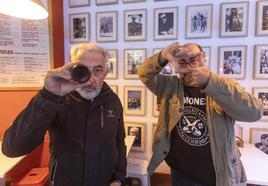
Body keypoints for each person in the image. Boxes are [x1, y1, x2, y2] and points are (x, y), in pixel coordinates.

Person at [138, 42, 263, 186]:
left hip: (217, 173)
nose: (189, 66)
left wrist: (210, 81)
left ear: (203, 58)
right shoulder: (170, 86)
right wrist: (163, 56)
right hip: (181, 171)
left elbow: (254, 112)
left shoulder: (223, 85)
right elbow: (144, 74)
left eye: (193, 59)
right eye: (183, 62)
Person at [2, 43, 126, 186]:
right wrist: (48, 95)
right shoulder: (58, 98)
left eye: (97, 70)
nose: (90, 80)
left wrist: (119, 178)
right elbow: (13, 148)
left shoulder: (112, 100)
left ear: (106, 71)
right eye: (83, 70)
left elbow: (119, 141)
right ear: (72, 68)